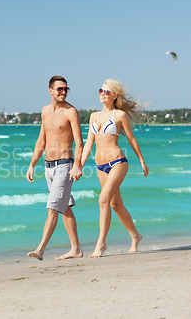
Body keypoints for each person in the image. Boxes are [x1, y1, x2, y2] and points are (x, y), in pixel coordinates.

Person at [81, 79, 149, 258]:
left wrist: (142, 160)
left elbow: (131, 139)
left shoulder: (119, 116)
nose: (103, 94)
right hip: (100, 166)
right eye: (100, 90)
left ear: (115, 96)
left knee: (103, 200)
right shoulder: (93, 116)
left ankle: (101, 244)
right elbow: (88, 143)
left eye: (107, 92)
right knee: (115, 204)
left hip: (118, 163)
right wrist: (79, 164)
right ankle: (136, 236)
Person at [26, 76, 84, 260]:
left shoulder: (71, 112)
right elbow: (41, 140)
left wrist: (77, 165)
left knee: (52, 208)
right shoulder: (45, 111)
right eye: (60, 89)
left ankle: (40, 249)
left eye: (66, 89)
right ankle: (76, 249)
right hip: (48, 167)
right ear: (50, 90)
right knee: (64, 206)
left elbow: (79, 143)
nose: (63, 92)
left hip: (64, 166)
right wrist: (32, 164)